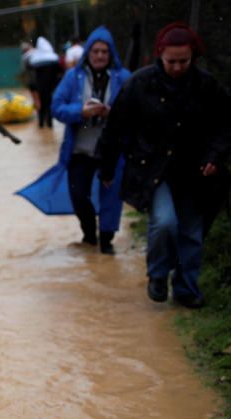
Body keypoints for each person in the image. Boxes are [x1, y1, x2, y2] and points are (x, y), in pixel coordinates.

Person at [98, 23, 231, 308]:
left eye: (184, 61)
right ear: (160, 55)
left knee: (191, 234)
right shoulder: (138, 84)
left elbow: (225, 125)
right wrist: (106, 167)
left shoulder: (206, 85)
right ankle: (158, 274)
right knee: (165, 222)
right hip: (152, 169)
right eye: (171, 61)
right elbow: (115, 127)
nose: (177, 67)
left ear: (193, 57)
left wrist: (214, 157)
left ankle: (185, 288)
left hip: (194, 171)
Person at [18, 26, 131, 253]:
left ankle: (106, 241)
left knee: (111, 197)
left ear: (111, 54)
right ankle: (89, 235)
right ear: (88, 52)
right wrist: (81, 112)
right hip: (79, 150)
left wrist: (113, 114)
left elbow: (135, 111)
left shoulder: (124, 78)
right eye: (95, 51)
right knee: (78, 195)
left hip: (112, 150)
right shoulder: (72, 77)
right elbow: (56, 107)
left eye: (104, 52)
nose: (99, 56)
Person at [26, 37, 63, 128]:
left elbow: (30, 71)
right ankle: (49, 123)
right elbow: (60, 71)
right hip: (50, 87)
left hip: (39, 87)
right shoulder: (52, 60)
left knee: (41, 104)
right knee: (49, 104)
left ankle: (41, 123)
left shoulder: (35, 60)